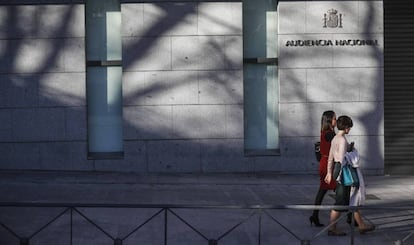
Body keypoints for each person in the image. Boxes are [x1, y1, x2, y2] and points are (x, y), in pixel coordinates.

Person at [324, 115, 375, 236]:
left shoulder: (335, 138)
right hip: (344, 171)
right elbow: (343, 159)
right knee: (341, 201)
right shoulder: (342, 140)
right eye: (349, 127)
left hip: (337, 169)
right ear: (346, 127)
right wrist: (352, 153)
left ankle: (361, 225)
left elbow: (330, 157)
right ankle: (332, 229)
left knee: (353, 197)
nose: (350, 129)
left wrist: (329, 173)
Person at [309, 110, 337, 227]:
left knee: (323, 191)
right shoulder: (330, 134)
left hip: (325, 163)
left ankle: (314, 215)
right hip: (328, 165)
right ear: (330, 120)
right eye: (335, 118)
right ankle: (350, 218)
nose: (336, 120)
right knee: (343, 190)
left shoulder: (325, 131)